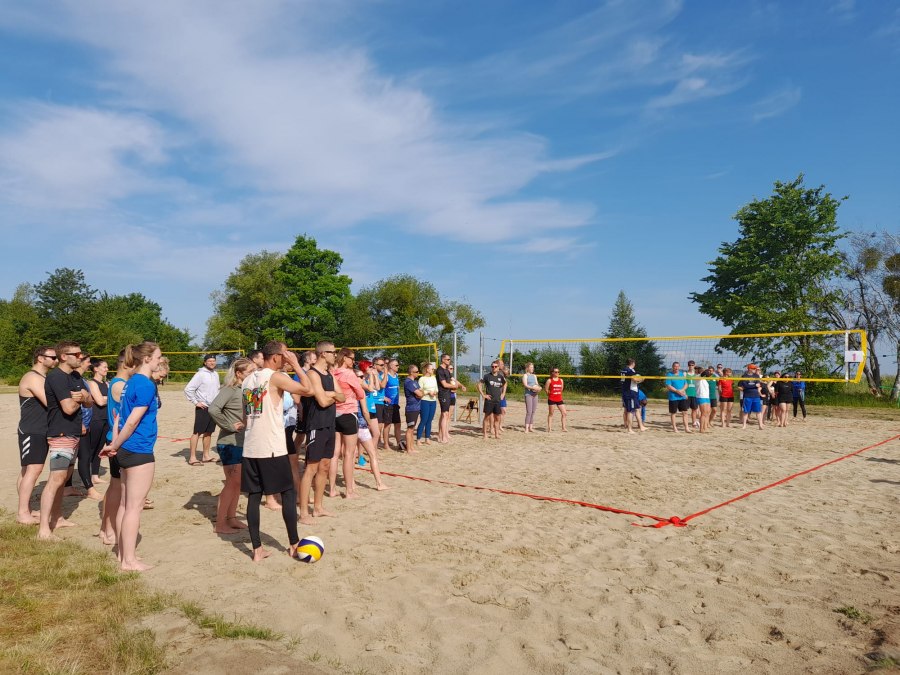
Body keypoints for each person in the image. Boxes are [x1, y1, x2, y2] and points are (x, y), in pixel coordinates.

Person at [241, 341, 315, 560]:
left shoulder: (247, 379)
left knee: (254, 498)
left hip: (251, 446)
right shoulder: (275, 376)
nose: (288, 358)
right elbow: (308, 390)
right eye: (285, 355)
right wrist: (297, 365)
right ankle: (293, 544)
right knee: (288, 493)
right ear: (275, 357)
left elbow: (246, 417)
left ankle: (257, 550)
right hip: (272, 447)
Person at [101, 341, 160, 571]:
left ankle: (121, 554)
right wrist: (114, 443)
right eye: (157, 357)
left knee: (125, 505)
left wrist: (114, 444)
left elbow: (118, 417)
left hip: (125, 450)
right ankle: (129, 560)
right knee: (134, 507)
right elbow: (132, 420)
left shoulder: (129, 382)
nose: (159, 361)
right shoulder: (144, 384)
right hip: (138, 449)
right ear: (146, 359)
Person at [39, 342, 92, 540]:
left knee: (63, 480)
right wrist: (80, 399)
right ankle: (44, 530)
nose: (80, 357)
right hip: (61, 434)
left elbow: (89, 402)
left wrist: (82, 397)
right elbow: (68, 408)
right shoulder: (56, 378)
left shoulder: (75, 376)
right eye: (76, 354)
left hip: (73, 433)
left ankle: (57, 518)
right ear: (63, 357)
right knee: (56, 480)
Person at [207, 357, 255, 534]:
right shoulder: (230, 389)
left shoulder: (247, 390)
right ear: (239, 373)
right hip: (229, 443)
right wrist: (228, 425)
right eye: (250, 371)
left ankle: (232, 518)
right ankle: (220, 524)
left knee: (238, 483)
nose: (253, 374)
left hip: (244, 442)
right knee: (232, 483)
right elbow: (213, 409)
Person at [299, 341, 344, 526]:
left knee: (325, 466)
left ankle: (318, 508)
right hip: (316, 425)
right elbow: (322, 402)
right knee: (311, 468)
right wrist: (331, 395)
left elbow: (342, 397)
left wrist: (330, 393)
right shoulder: (312, 373)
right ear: (323, 354)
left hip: (329, 425)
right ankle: (303, 512)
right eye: (333, 352)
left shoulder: (329, 374)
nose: (336, 355)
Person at [16, 346, 56, 525]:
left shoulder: (43, 377)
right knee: (33, 469)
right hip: (31, 430)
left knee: (28, 470)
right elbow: (50, 402)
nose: (55, 360)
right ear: (40, 358)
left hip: (40, 429)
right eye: (52, 357)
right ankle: (22, 512)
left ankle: (26, 509)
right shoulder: (32, 377)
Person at [98, 350, 133, 546]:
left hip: (117, 440)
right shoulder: (120, 386)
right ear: (126, 364)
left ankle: (106, 528)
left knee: (115, 487)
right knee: (117, 489)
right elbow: (125, 419)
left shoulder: (119, 384)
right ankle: (109, 528)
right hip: (119, 441)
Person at [329, 348, 368, 499]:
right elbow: (361, 393)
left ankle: (332, 489)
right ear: (344, 358)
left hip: (335, 413)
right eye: (352, 358)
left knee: (334, 453)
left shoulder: (333, 373)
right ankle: (349, 490)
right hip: (348, 413)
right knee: (349, 454)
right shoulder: (348, 374)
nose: (354, 361)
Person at [68, 354, 103, 500]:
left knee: (76, 457)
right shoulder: (72, 378)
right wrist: (80, 422)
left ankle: (67, 487)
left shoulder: (82, 380)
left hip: (86, 423)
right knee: (83, 456)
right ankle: (90, 489)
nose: (89, 364)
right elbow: (73, 402)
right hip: (78, 423)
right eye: (88, 362)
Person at [184, 355, 220, 466]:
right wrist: (196, 402)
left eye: (213, 361)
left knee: (209, 432)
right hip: (202, 407)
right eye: (209, 361)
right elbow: (188, 389)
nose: (212, 363)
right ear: (205, 362)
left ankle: (206, 455)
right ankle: (192, 458)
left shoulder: (216, 374)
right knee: (197, 432)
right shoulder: (200, 374)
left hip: (213, 407)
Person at [86, 358, 110, 489]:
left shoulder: (106, 384)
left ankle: (95, 475)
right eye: (104, 367)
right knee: (91, 447)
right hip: (96, 419)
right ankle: (86, 474)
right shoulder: (92, 383)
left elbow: (105, 399)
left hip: (106, 418)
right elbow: (100, 402)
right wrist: (107, 398)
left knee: (100, 448)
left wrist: (104, 398)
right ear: (96, 369)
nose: (107, 369)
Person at [478, 360, 507, 439]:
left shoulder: (500, 377)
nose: (494, 368)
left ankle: (496, 434)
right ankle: (485, 435)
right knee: (486, 417)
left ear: (498, 368)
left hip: (497, 400)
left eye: (495, 366)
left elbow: (505, 384)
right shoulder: (487, 376)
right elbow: (479, 384)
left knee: (497, 418)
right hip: (489, 400)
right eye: (492, 366)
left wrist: (503, 394)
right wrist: (483, 395)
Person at [436, 353, 458, 443]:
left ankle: (442, 434)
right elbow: (444, 384)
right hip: (443, 394)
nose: (449, 361)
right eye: (448, 359)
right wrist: (454, 386)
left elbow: (451, 381)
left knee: (445, 415)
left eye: (450, 359)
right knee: (445, 414)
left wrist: (458, 385)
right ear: (443, 360)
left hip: (448, 394)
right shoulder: (440, 370)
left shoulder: (447, 370)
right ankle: (443, 437)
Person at [382, 358, 403, 450]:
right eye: (396, 365)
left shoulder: (396, 375)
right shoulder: (386, 376)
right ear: (391, 366)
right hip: (388, 404)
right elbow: (380, 388)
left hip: (395, 404)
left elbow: (397, 389)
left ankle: (399, 443)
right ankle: (386, 444)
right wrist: (384, 397)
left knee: (398, 423)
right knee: (387, 424)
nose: (398, 367)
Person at [620, 358, 646, 433]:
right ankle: (629, 429)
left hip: (629, 392)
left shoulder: (623, 370)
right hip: (630, 393)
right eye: (634, 363)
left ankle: (641, 426)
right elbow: (635, 379)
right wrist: (642, 379)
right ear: (633, 363)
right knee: (630, 411)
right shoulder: (630, 371)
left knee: (637, 409)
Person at [665, 361, 691, 433]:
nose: (676, 368)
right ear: (672, 367)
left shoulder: (681, 374)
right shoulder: (669, 375)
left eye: (677, 366)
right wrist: (677, 391)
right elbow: (668, 386)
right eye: (675, 366)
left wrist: (682, 391)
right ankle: (675, 428)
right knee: (673, 413)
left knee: (685, 412)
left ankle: (686, 428)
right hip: (673, 397)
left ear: (679, 367)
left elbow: (686, 384)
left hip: (682, 396)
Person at [416, 362, 439, 444]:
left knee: (430, 420)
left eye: (433, 369)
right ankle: (418, 439)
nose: (433, 370)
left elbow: (436, 389)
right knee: (424, 420)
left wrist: (435, 392)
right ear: (427, 369)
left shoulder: (433, 378)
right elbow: (420, 391)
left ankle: (427, 438)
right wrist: (428, 392)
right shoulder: (422, 379)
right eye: (432, 369)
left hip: (433, 401)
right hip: (424, 400)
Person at [404, 364, 424, 452]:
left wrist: (420, 393)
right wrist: (419, 394)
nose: (418, 373)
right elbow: (420, 394)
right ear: (411, 372)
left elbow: (421, 392)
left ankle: (412, 448)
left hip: (416, 407)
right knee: (410, 429)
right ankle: (409, 449)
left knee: (412, 429)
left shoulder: (415, 382)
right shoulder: (408, 382)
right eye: (416, 372)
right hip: (411, 408)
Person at [739, 364, 765, 430]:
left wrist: (753, 385)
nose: (754, 370)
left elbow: (758, 385)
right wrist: (754, 385)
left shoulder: (756, 376)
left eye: (755, 368)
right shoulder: (744, 376)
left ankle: (760, 425)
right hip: (747, 396)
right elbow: (745, 386)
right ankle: (744, 425)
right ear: (749, 369)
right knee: (746, 411)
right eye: (753, 368)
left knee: (758, 411)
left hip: (756, 396)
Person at [544, 367, 568, 432]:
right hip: (552, 398)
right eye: (556, 372)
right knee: (551, 414)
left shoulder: (561, 380)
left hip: (559, 398)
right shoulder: (549, 380)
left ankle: (563, 428)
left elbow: (561, 389)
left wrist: (557, 393)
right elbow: (546, 389)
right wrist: (549, 395)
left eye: (558, 372)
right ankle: (549, 428)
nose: (557, 373)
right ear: (552, 373)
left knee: (564, 413)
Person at [521, 362, 541, 433]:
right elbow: (525, 385)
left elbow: (537, 383)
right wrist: (532, 388)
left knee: (533, 411)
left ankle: (531, 427)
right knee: (529, 412)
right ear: (527, 368)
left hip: (535, 395)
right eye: (531, 367)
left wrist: (538, 387)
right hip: (528, 394)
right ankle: (526, 428)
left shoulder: (534, 376)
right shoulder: (525, 375)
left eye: (533, 367)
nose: (532, 368)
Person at [696, 368, 712, 433]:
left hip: (706, 397)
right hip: (701, 396)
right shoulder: (697, 377)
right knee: (703, 413)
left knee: (708, 412)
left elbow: (705, 375)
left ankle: (705, 427)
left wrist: (708, 373)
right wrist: (705, 371)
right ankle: (701, 429)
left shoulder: (705, 379)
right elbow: (702, 375)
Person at [685, 360, 700, 429]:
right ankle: (686, 424)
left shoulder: (696, 375)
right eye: (690, 365)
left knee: (694, 409)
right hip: (687, 394)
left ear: (694, 365)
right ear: (688, 366)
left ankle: (694, 423)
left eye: (692, 365)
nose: (691, 366)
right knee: (685, 410)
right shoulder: (685, 374)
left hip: (694, 394)